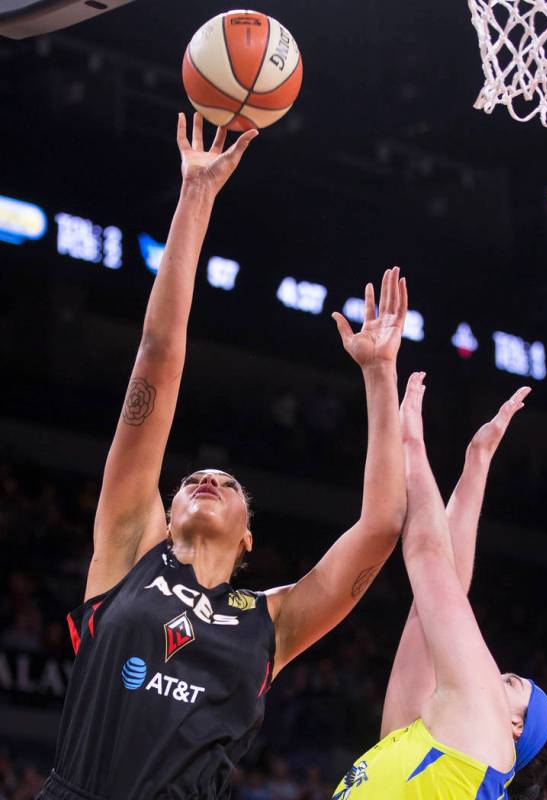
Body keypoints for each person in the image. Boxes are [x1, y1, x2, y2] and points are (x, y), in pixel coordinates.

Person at [37, 114, 409, 800]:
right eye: (192, 481)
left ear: (247, 536)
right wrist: (196, 198)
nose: (206, 479)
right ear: (168, 510)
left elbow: (381, 528)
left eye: (226, 482)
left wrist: (379, 376)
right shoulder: (127, 548)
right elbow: (158, 355)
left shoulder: (272, 621)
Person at [333, 373, 547, 799]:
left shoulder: (485, 735)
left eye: (508, 683)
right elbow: (428, 610)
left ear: (515, 727)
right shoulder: (420, 744)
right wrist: (476, 463)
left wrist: (411, 443)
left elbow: (428, 555)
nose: (490, 674)